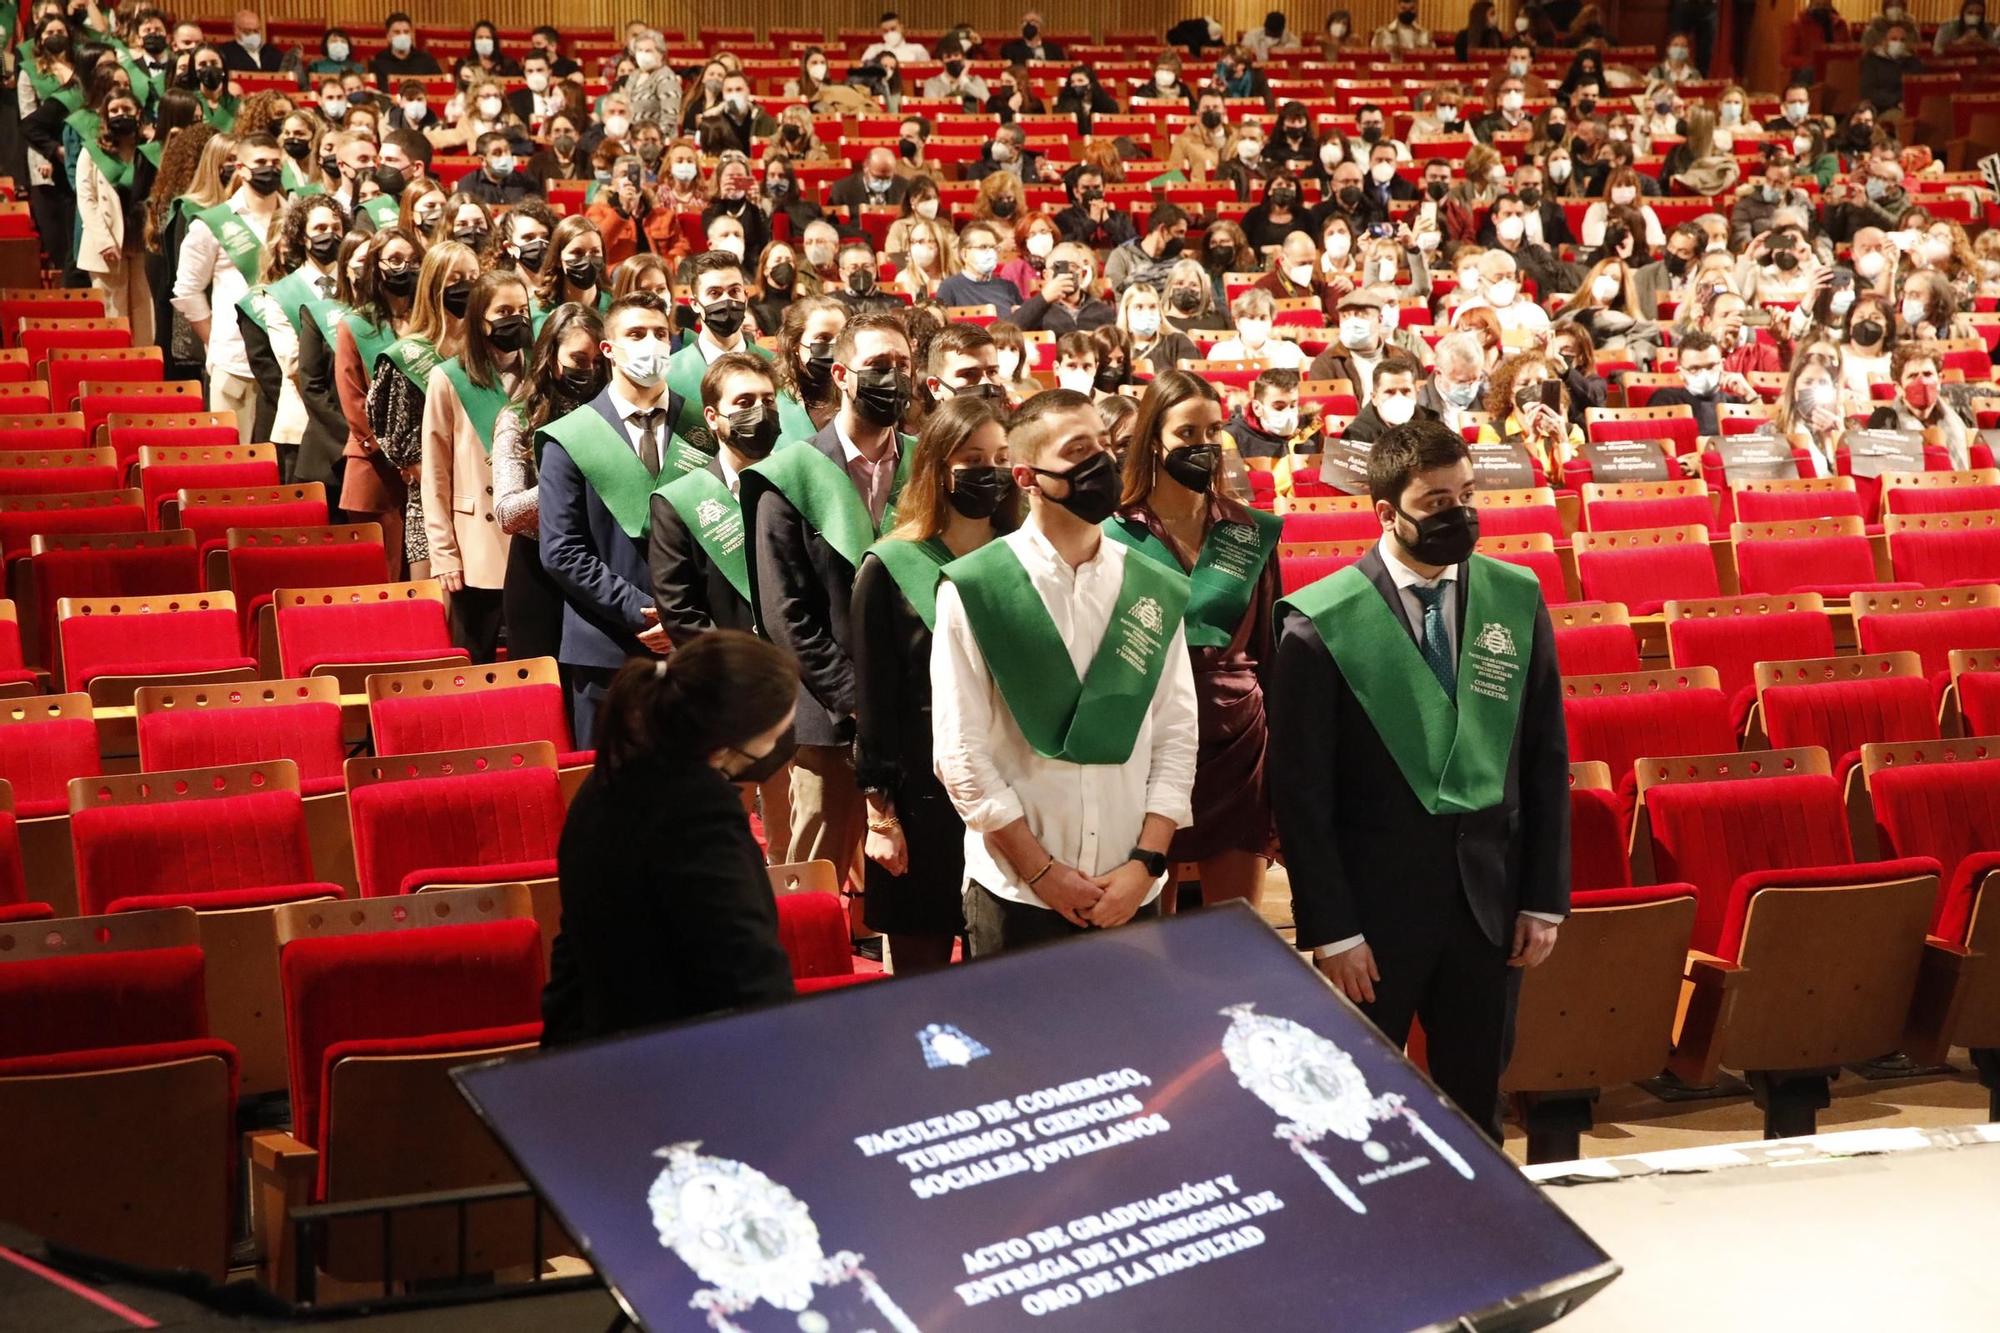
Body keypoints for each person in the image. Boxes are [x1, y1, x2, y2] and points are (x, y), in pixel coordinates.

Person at [1268, 420, 1567, 1142]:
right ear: (1385, 513)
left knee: (1478, 1109)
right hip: (1375, 920)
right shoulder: (1320, 625)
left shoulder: (1514, 598)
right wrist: (1334, 929)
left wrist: (1543, 898)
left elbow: (1543, 757)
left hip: (1489, 907)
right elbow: (1302, 796)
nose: (1458, 513)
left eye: (1467, 494)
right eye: (1436, 502)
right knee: (1362, 1113)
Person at [931, 389, 1198, 952]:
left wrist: (1145, 865)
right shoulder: (978, 589)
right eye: (1080, 450)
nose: (1102, 462)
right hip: (1017, 895)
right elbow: (960, 755)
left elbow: (1176, 734)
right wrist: (1042, 874)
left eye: (1105, 444)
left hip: (1133, 890)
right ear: (1027, 476)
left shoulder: (1152, 586)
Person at [540, 633, 799, 1047]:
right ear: (736, 737)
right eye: (778, 729)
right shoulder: (698, 809)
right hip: (683, 1059)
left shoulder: (606, 781)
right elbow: (744, 965)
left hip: (601, 1045)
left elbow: (572, 951)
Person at [742, 312, 918, 877]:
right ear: (841, 373)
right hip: (829, 716)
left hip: (921, 711)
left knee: (914, 883)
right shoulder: (789, 475)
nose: (893, 378)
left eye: (903, 366)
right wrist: (858, 698)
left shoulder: (928, 464)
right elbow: (784, 616)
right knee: (813, 883)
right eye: (877, 367)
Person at [1106, 370, 1282, 910]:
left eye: (1212, 432)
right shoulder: (1113, 533)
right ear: (1153, 439)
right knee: (1147, 933)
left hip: (1239, 739)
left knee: (1237, 930)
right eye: (1187, 434)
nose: (1203, 446)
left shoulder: (1249, 530)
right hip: (1146, 738)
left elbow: (1272, 651)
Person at [853, 395, 1016, 974]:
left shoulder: (1023, 557)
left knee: (1005, 977)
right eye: (973, 458)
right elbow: (874, 706)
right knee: (925, 997)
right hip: (923, 797)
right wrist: (881, 818)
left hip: (1012, 789)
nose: (990, 470)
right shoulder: (890, 567)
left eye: (1001, 456)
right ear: (938, 467)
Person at [536, 291, 693, 743]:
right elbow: (562, 551)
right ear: (608, 348)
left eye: (661, 334)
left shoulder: (700, 426)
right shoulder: (570, 437)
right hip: (607, 646)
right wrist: (643, 613)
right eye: (636, 334)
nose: (652, 345)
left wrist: (682, 617)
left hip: (691, 647)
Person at [422, 269, 532, 659]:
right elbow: (435, 475)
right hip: (475, 545)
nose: (515, 319)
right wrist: (443, 552)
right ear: (479, 320)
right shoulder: (448, 378)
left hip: (533, 538)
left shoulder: (541, 370)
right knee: (475, 657)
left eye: (522, 309)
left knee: (531, 660)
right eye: (504, 310)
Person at [494, 303, 603, 666]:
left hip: (600, 567)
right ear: (551, 357)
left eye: (597, 360)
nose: (588, 369)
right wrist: (565, 483)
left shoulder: (613, 415)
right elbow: (507, 513)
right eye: (578, 358)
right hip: (537, 572)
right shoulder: (519, 416)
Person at [367, 240, 479, 581]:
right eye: (456, 279)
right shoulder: (409, 356)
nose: (467, 287)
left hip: (485, 501)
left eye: (474, 278)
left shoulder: (485, 355)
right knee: (440, 616)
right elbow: (396, 440)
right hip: (433, 502)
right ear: (433, 287)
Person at [173, 133, 286, 442]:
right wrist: (214, 340)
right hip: (235, 361)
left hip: (289, 364)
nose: (269, 169)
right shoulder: (213, 224)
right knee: (236, 457)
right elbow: (187, 290)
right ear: (241, 168)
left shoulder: (296, 217)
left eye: (276, 163)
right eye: (260, 163)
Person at [237, 195, 343, 470]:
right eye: (320, 229)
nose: (330, 234)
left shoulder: (355, 284)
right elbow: (293, 363)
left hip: (354, 422)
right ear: (302, 238)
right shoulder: (280, 294)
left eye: (336, 227)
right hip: (304, 424)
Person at [75, 84, 153, 344]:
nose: (121, 114)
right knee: (113, 312)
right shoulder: (92, 151)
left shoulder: (149, 149)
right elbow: (86, 200)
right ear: (106, 117)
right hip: (107, 242)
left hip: (141, 240)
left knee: (145, 311)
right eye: (114, 110)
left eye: (126, 109)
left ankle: (145, 370)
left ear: (138, 112)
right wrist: (104, 241)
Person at [1479, 351, 1586, 481]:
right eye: (1524, 384)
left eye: (1541, 383)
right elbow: (1501, 480)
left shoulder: (1571, 431)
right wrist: (1531, 440)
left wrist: (1562, 441)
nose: (1534, 388)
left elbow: (1575, 481)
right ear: (1509, 394)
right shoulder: (1493, 432)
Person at [1867, 342, 1969, 469]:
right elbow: (1878, 473)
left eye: (1927, 374)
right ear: (1898, 387)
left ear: (1940, 380)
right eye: (1913, 376)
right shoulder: (1884, 421)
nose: (1922, 382)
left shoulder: (1961, 415)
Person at [1645, 329, 1754, 436]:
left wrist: (1751, 396)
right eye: (1695, 369)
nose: (1704, 374)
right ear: (1680, 372)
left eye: (1711, 366)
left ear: (1722, 365)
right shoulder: (1665, 400)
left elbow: (1763, 440)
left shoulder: (1735, 402)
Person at [776, 297, 847, 440]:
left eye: (841, 338)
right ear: (795, 343)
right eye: (823, 338)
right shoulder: (774, 397)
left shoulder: (856, 393)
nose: (835, 345)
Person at [1012, 242, 1116, 335]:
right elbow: (1008, 331)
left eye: (1073, 266)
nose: (1067, 272)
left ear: (1082, 275)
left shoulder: (1102, 311)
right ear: (1046, 275)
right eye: (1058, 267)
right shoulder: (1036, 310)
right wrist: (1044, 298)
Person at [1343, 351, 1435, 446]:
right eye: (1389, 392)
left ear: (1416, 394)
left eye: (1406, 391)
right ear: (1374, 397)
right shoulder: (1357, 435)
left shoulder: (1432, 423)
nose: (1399, 398)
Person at [935, 221, 1020, 318]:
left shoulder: (1009, 287)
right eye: (983, 247)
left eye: (993, 247)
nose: (990, 252)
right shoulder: (949, 288)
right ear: (964, 254)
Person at [371, 12, 439, 81]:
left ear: (412, 35)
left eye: (406, 32)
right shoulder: (378, 63)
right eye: (397, 32)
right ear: (388, 36)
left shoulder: (427, 61)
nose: (402, 36)